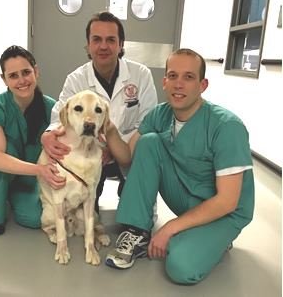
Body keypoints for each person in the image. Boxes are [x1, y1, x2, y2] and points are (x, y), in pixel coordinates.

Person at [105, 48, 255, 285]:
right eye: (173, 76)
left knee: (181, 266)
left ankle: (216, 239)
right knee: (148, 142)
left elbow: (228, 201)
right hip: (187, 192)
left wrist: (169, 228)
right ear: (164, 82)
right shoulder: (158, 115)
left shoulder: (227, 127)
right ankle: (137, 231)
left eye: (188, 77)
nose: (179, 84)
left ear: (203, 84)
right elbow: (128, 159)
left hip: (225, 211)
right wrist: (110, 129)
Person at [41, 11, 158, 213]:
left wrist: (114, 148)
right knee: (85, 215)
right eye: (97, 39)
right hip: (92, 152)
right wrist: (47, 135)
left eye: (111, 40)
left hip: (130, 153)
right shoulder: (76, 79)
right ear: (88, 45)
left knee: (133, 214)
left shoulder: (141, 75)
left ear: (121, 45)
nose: (103, 46)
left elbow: (147, 124)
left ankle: (129, 195)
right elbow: (58, 119)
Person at [0, 45, 66, 235]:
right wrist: (39, 170)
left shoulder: (52, 108)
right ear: (4, 79)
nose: (21, 81)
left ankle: (7, 192)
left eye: (26, 72)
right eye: (13, 76)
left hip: (26, 175)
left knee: (36, 218)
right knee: (6, 152)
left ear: (36, 71)